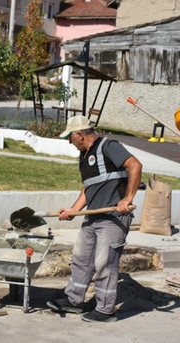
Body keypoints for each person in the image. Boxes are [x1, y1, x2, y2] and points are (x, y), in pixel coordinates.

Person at [46, 115, 142, 323]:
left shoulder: (108, 146)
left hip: (113, 217)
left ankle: (105, 310)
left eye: (69, 138)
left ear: (79, 134)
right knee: (81, 258)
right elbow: (87, 189)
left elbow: (135, 165)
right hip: (93, 217)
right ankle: (74, 300)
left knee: (104, 263)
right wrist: (74, 210)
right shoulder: (84, 155)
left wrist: (128, 198)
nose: (69, 142)